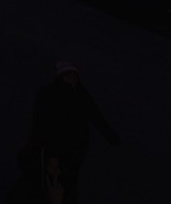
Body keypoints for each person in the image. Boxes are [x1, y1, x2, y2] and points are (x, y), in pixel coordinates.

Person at [28, 61, 120, 203]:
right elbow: (41, 121)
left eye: (74, 74)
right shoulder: (50, 93)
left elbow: (94, 114)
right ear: (61, 76)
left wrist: (110, 135)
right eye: (68, 74)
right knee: (55, 183)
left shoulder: (80, 93)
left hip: (76, 149)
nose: (72, 77)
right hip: (56, 147)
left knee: (68, 182)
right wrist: (42, 146)